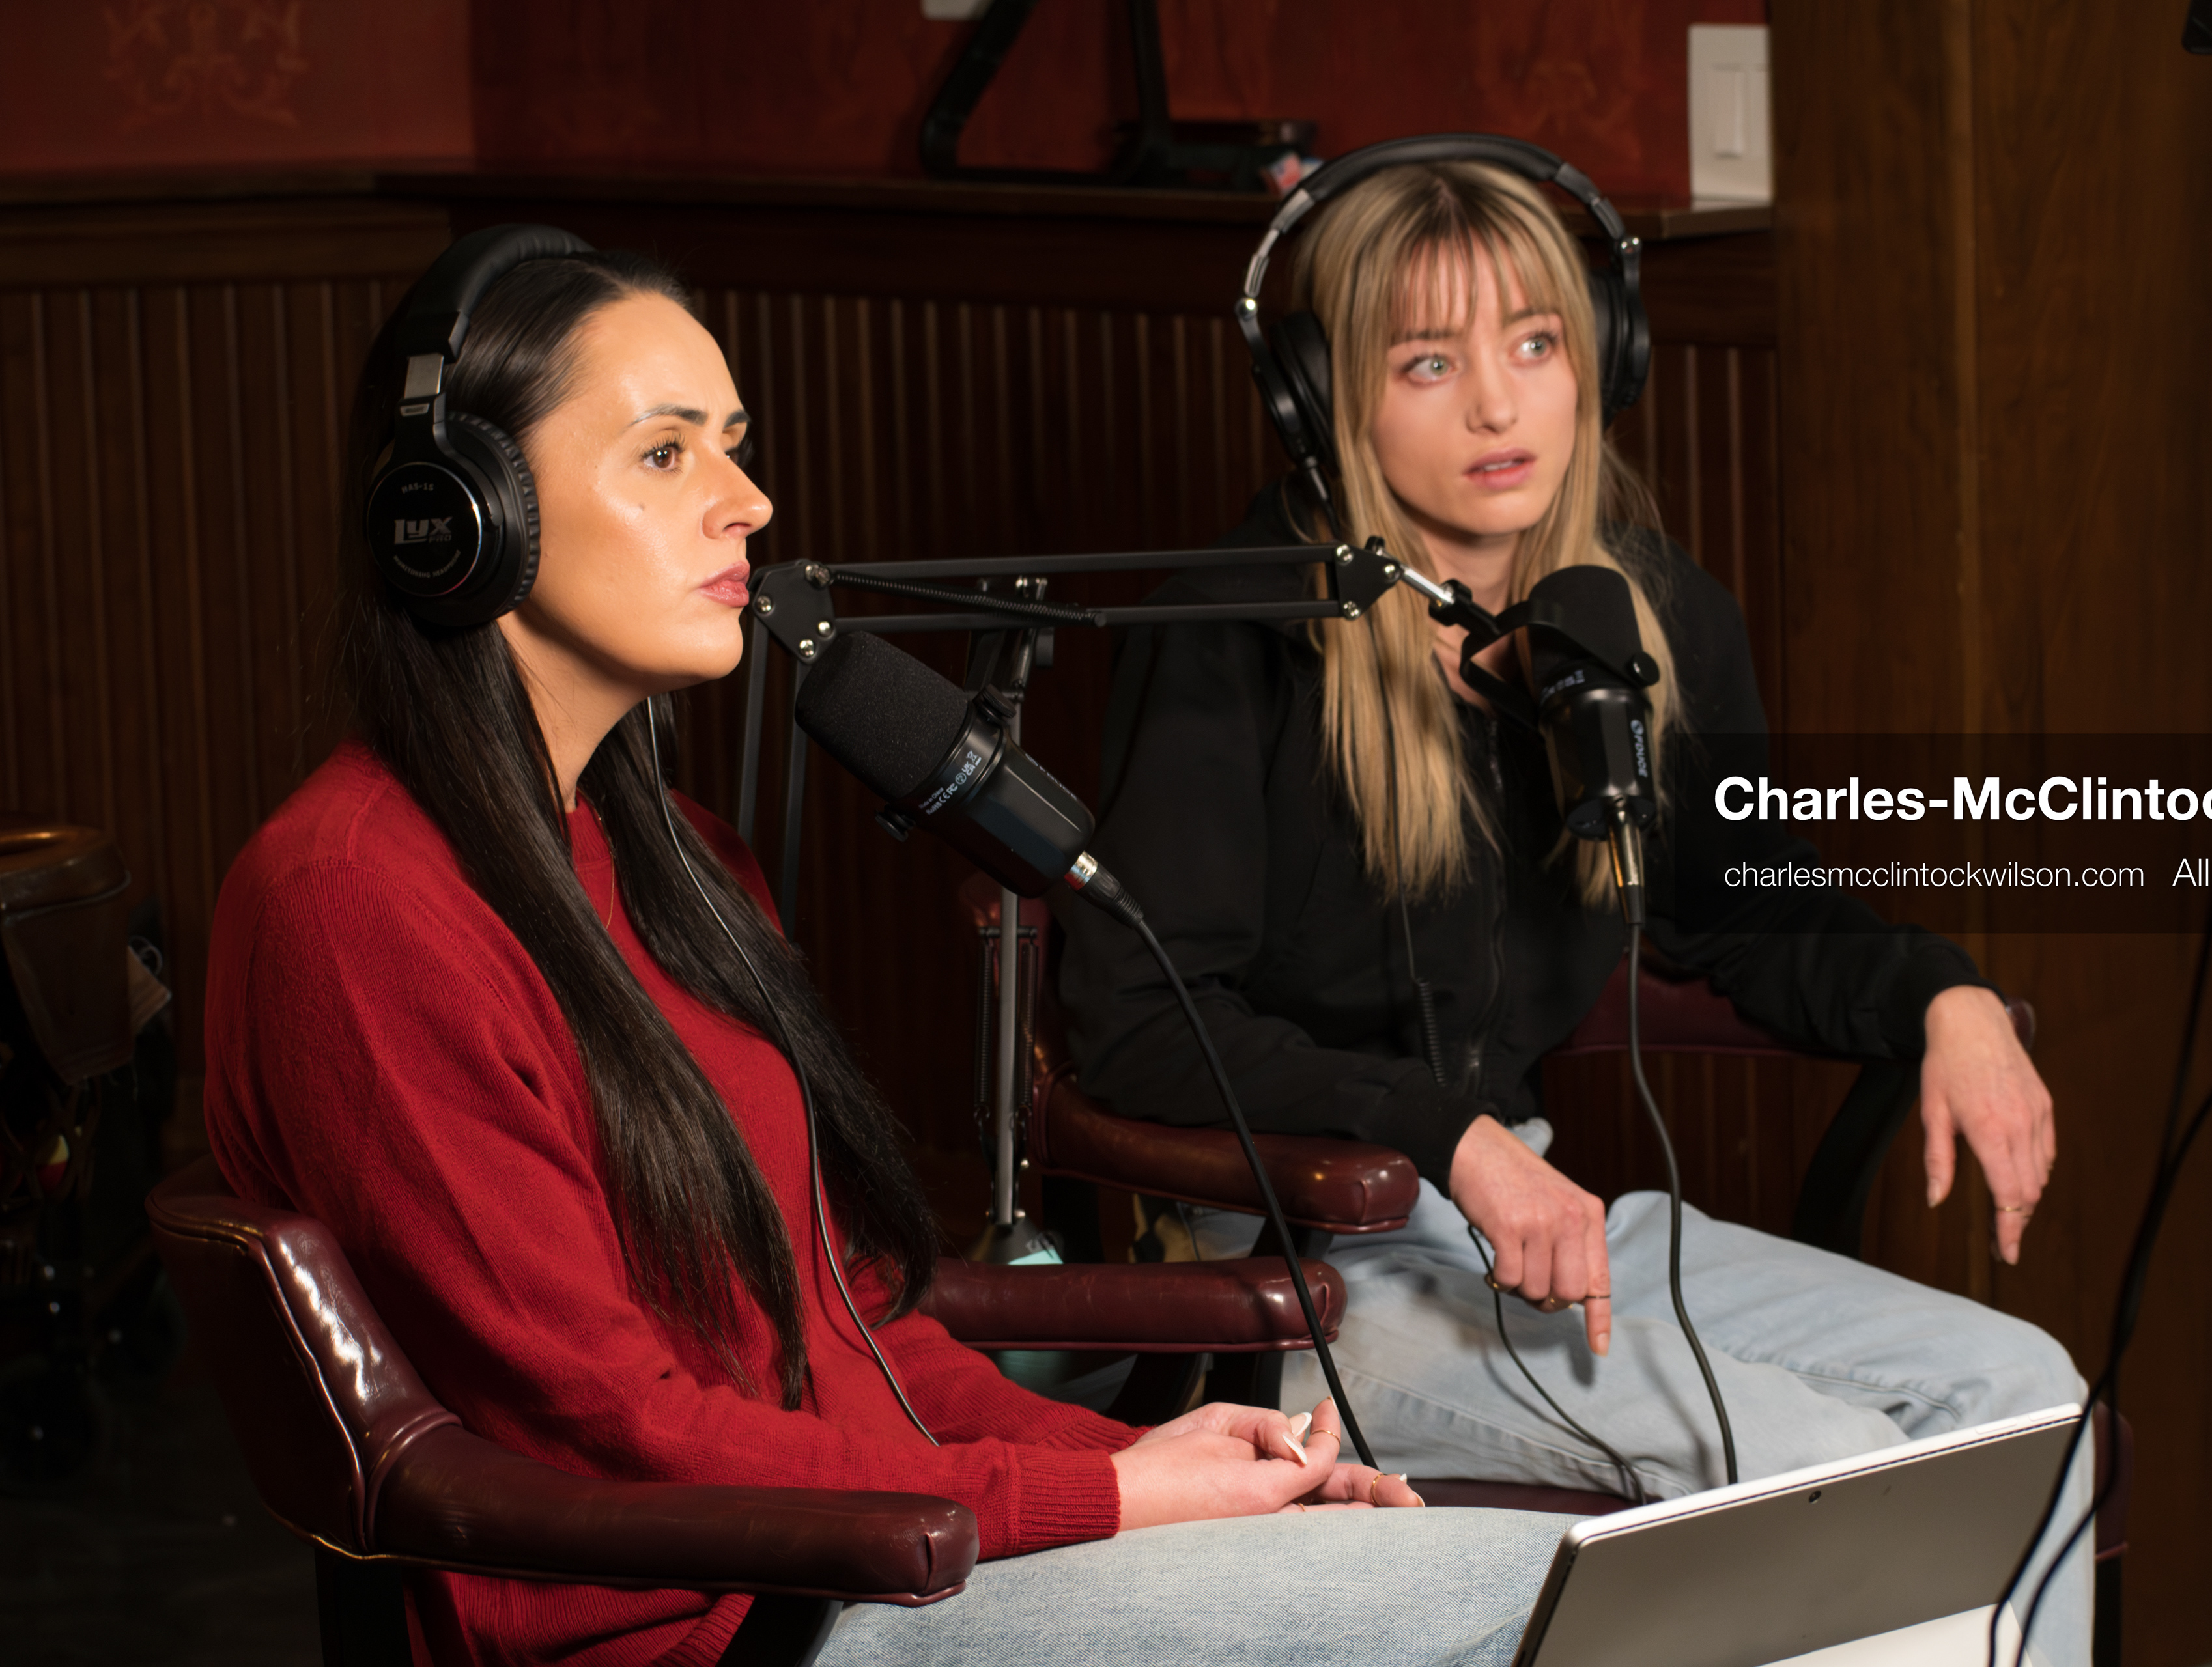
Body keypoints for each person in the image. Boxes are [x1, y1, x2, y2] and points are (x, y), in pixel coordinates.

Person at [202, 238, 1572, 1667]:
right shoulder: (357, 899)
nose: (750, 500)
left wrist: (1163, 1468)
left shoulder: (678, 857)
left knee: (1527, 1579)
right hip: (717, 1625)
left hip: (862, 1565)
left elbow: (847, 1334)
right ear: (459, 517)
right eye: (664, 456)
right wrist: (1103, 1498)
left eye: (730, 445)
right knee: (1543, 1599)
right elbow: (618, 1424)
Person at [1053, 159, 2095, 1663]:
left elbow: (1744, 913)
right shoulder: (1234, 629)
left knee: (2025, 1395)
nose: (1500, 407)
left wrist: (1944, 991)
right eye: (1430, 361)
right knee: (1815, 1454)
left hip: (1542, 1222)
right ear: (1323, 395)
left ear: (1600, 354)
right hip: (1295, 1267)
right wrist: (1447, 1136)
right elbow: (1139, 1019)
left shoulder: (1644, 611)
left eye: (1536, 344)